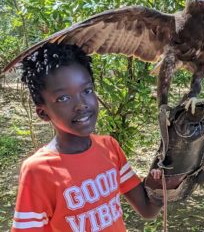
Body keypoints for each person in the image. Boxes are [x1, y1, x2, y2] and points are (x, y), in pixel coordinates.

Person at [12, 43, 162, 232]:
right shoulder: (38, 171)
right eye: (63, 98)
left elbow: (148, 210)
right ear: (43, 113)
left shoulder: (109, 147)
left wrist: (158, 188)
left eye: (87, 91)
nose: (81, 105)